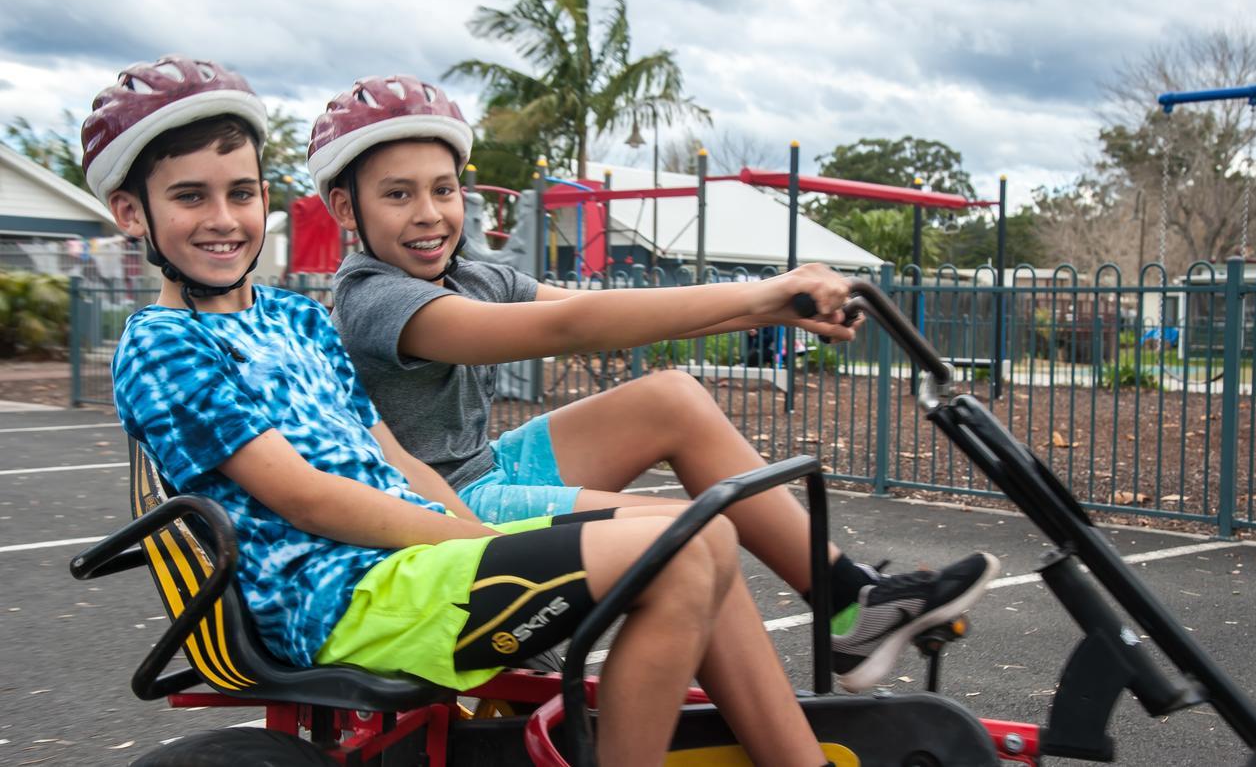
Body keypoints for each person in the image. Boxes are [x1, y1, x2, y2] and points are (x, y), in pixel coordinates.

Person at [86, 54, 842, 766]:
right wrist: (475, 540)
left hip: (408, 566)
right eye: (190, 197)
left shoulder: (298, 320)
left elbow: (398, 458)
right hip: (338, 596)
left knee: (698, 530)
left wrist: (482, 543)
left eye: (241, 192)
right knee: (676, 558)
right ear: (131, 211)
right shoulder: (164, 346)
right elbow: (305, 497)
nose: (224, 218)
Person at [312, 74, 999, 693]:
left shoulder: (472, 273)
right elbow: (570, 328)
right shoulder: (374, 300)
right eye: (398, 195)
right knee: (689, 535)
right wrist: (765, 290)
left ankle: (850, 600)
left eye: (443, 189)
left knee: (671, 397)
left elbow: (586, 310)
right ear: (347, 209)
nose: (430, 214)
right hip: (438, 510)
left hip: (483, 468)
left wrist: (773, 306)